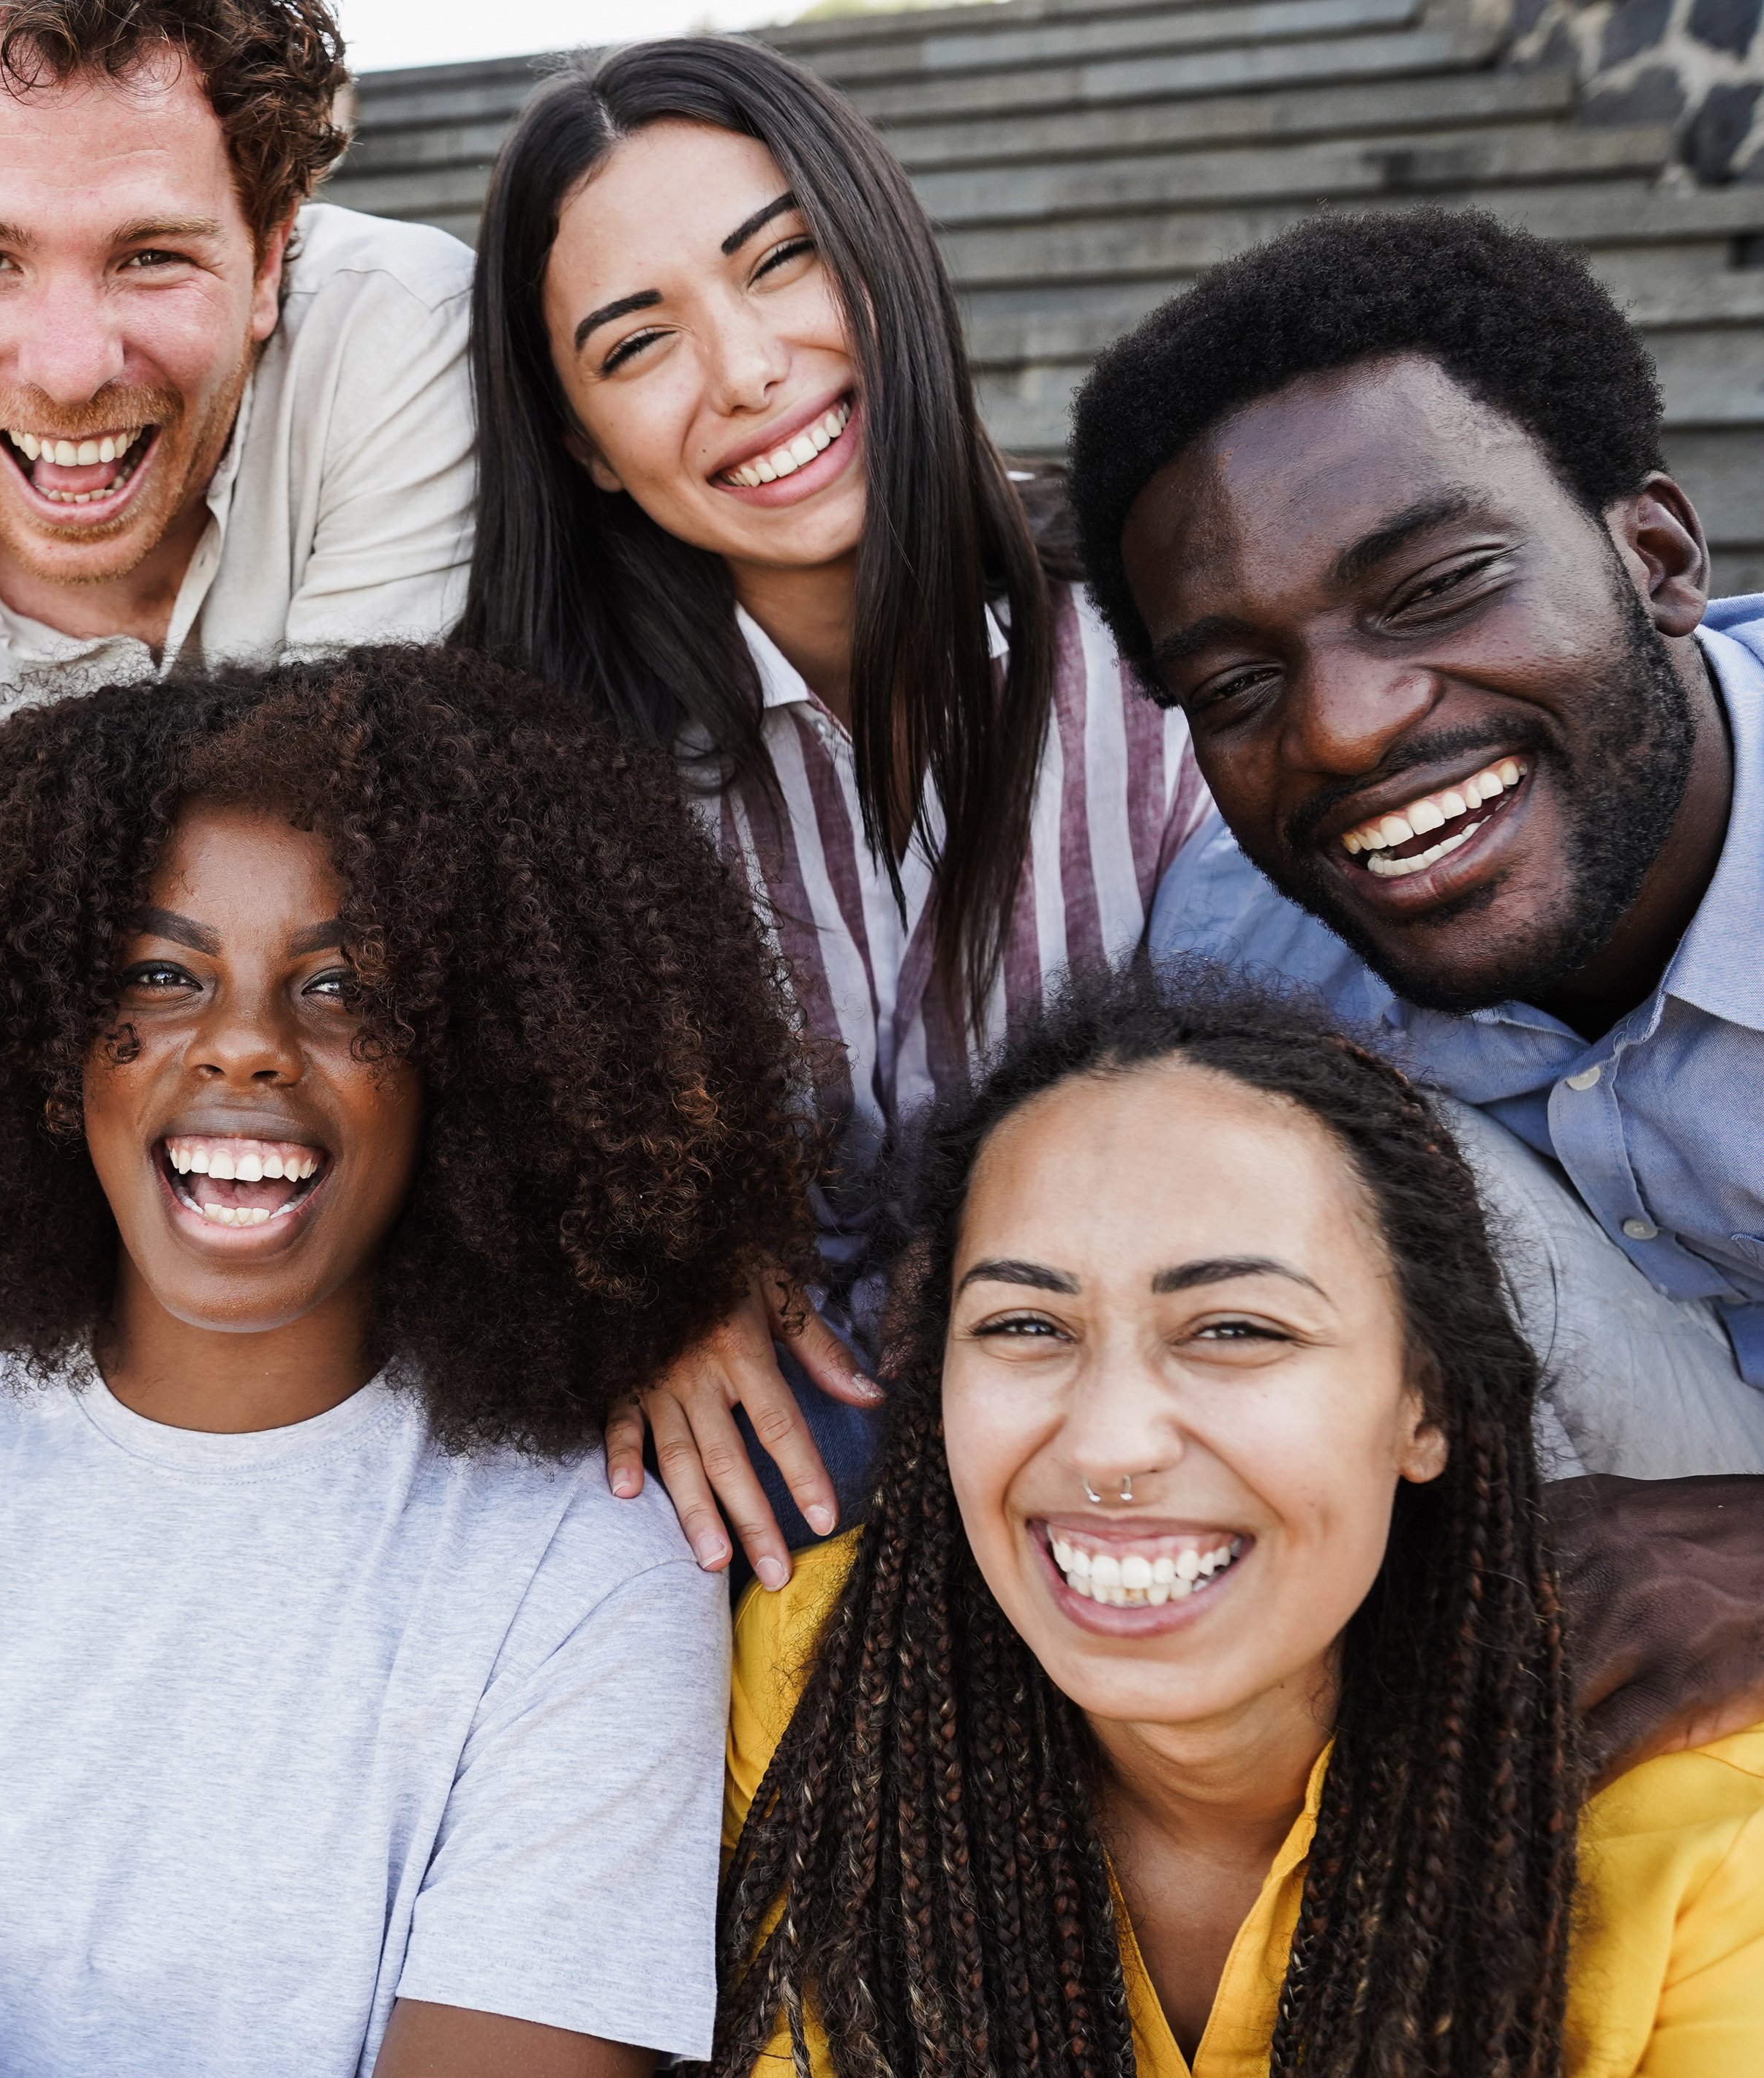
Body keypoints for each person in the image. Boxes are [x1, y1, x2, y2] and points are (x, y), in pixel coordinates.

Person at [0, 648, 800, 2077]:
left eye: (347, 990)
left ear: (473, 1063)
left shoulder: (590, 1560)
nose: (248, 1048)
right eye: (161, 974)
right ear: (51, 1044)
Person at [457, 36, 1216, 1580]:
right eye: (634, 345)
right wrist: (639, 1278)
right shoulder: (568, 777)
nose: (744, 371)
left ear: (882, 249)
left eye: (781, 262)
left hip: (1172, 1366)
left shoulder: (1171, 633)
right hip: (814, 1431)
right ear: (584, 451)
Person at [712, 975, 1764, 2078]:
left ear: (1427, 1404)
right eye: (1025, 1323)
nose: (1112, 1444)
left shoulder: (1708, 1847)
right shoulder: (823, 1678)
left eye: (1235, 1329)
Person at [1075, 209, 1764, 1485]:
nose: (1339, 733)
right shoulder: (1235, 960)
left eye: (1435, 589)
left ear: (1657, 558)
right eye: (1235, 686)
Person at [0, 0, 477, 750]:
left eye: (152, 257)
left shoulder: (401, 328)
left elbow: (343, 814)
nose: (71, 373)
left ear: (269, 260)